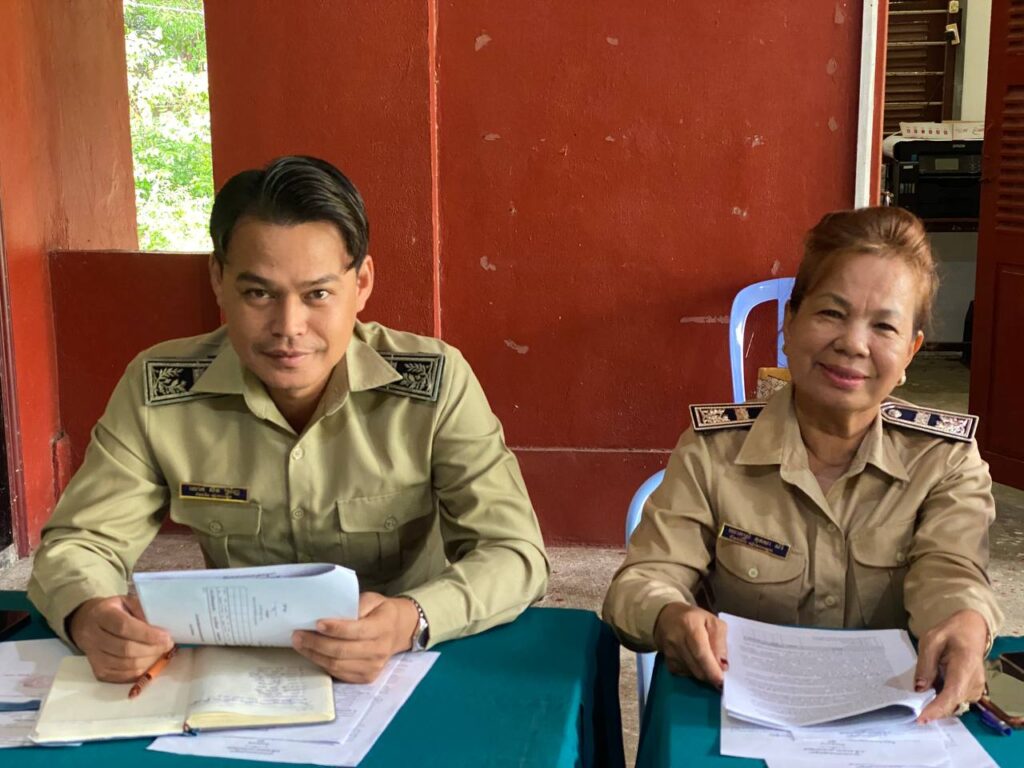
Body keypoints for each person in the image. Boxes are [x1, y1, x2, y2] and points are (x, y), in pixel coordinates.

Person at [29, 156, 549, 684]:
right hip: (236, 673)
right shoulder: (159, 390)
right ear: (218, 280)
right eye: (259, 293)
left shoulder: (433, 385)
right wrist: (89, 614)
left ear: (362, 283)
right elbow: (80, 542)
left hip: (400, 667)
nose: (288, 327)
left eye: (317, 294)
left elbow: (514, 553)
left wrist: (412, 619)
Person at [603, 206, 1002, 723]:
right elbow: (644, 579)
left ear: (911, 352)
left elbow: (951, 573)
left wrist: (965, 621)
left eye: (884, 326)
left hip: (894, 726)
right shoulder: (713, 452)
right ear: (789, 325)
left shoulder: (944, 461)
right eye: (831, 313)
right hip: (739, 719)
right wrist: (669, 613)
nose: (852, 344)